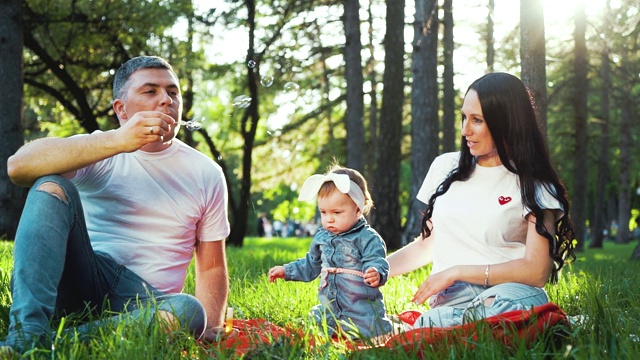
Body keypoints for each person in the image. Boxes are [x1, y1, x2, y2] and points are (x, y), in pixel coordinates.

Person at [3, 56, 232, 353]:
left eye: (173, 92)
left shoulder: (207, 173)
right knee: (52, 185)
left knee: (189, 311)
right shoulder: (100, 148)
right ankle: (27, 331)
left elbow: (212, 266)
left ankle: (48, 344)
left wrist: (210, 327)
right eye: (150, 91)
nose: (166, 100)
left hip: (146, 301)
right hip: (83, 278)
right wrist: (118, 141)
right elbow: (18, 167)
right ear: (121, 109)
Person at [387, 72, 576, 329]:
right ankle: (458, 327)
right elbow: (427, 245)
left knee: (505, 310)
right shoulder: (445, 167)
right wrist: (373, 270)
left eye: (477, 120)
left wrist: (456, 271)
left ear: (506, 123)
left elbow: (537, 270)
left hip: (507, 295)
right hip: (453, 300)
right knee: (438, 320)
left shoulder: (536, 186)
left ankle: (455, 328)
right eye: (464, 117)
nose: (465, 130)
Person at [268, 165, 393, 339]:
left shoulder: (367, 238)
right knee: (316, 323)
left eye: (337, 212)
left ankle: (380, 329)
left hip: (359, 309)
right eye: (323, 212)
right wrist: (286, 271)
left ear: (358, 208)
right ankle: (332, 326)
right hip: (330, 308)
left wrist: (376, 272)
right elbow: (311, 264)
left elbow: (376, 260)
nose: (329, 219)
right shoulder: (321, 237)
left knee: (369, 332)